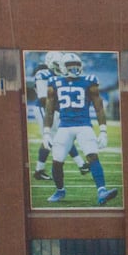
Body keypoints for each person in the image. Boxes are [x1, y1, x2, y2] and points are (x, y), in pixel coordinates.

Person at [43, 52, 119, 205]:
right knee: (57, 161)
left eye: (77, 65)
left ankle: (102, 191)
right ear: (63, 68)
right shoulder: (54, 83)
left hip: (84, 125)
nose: (74, 69)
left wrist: (103, 131)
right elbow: (49, 110)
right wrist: (46, 132)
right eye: (71, 66)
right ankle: (60, 190)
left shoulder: (89, 81)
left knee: (92, 156)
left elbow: (99, 108)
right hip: (64, 127)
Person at [31, 52, 84, 181]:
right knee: (54, 136)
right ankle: (81, 165)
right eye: (57, 64)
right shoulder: (43, 74)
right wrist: (62, 108)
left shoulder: (63, 75)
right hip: (44, 108)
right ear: (50, 63)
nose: (60, 67)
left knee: (62, 135)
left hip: (55, 109)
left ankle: (81, 165)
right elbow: (43, 99)